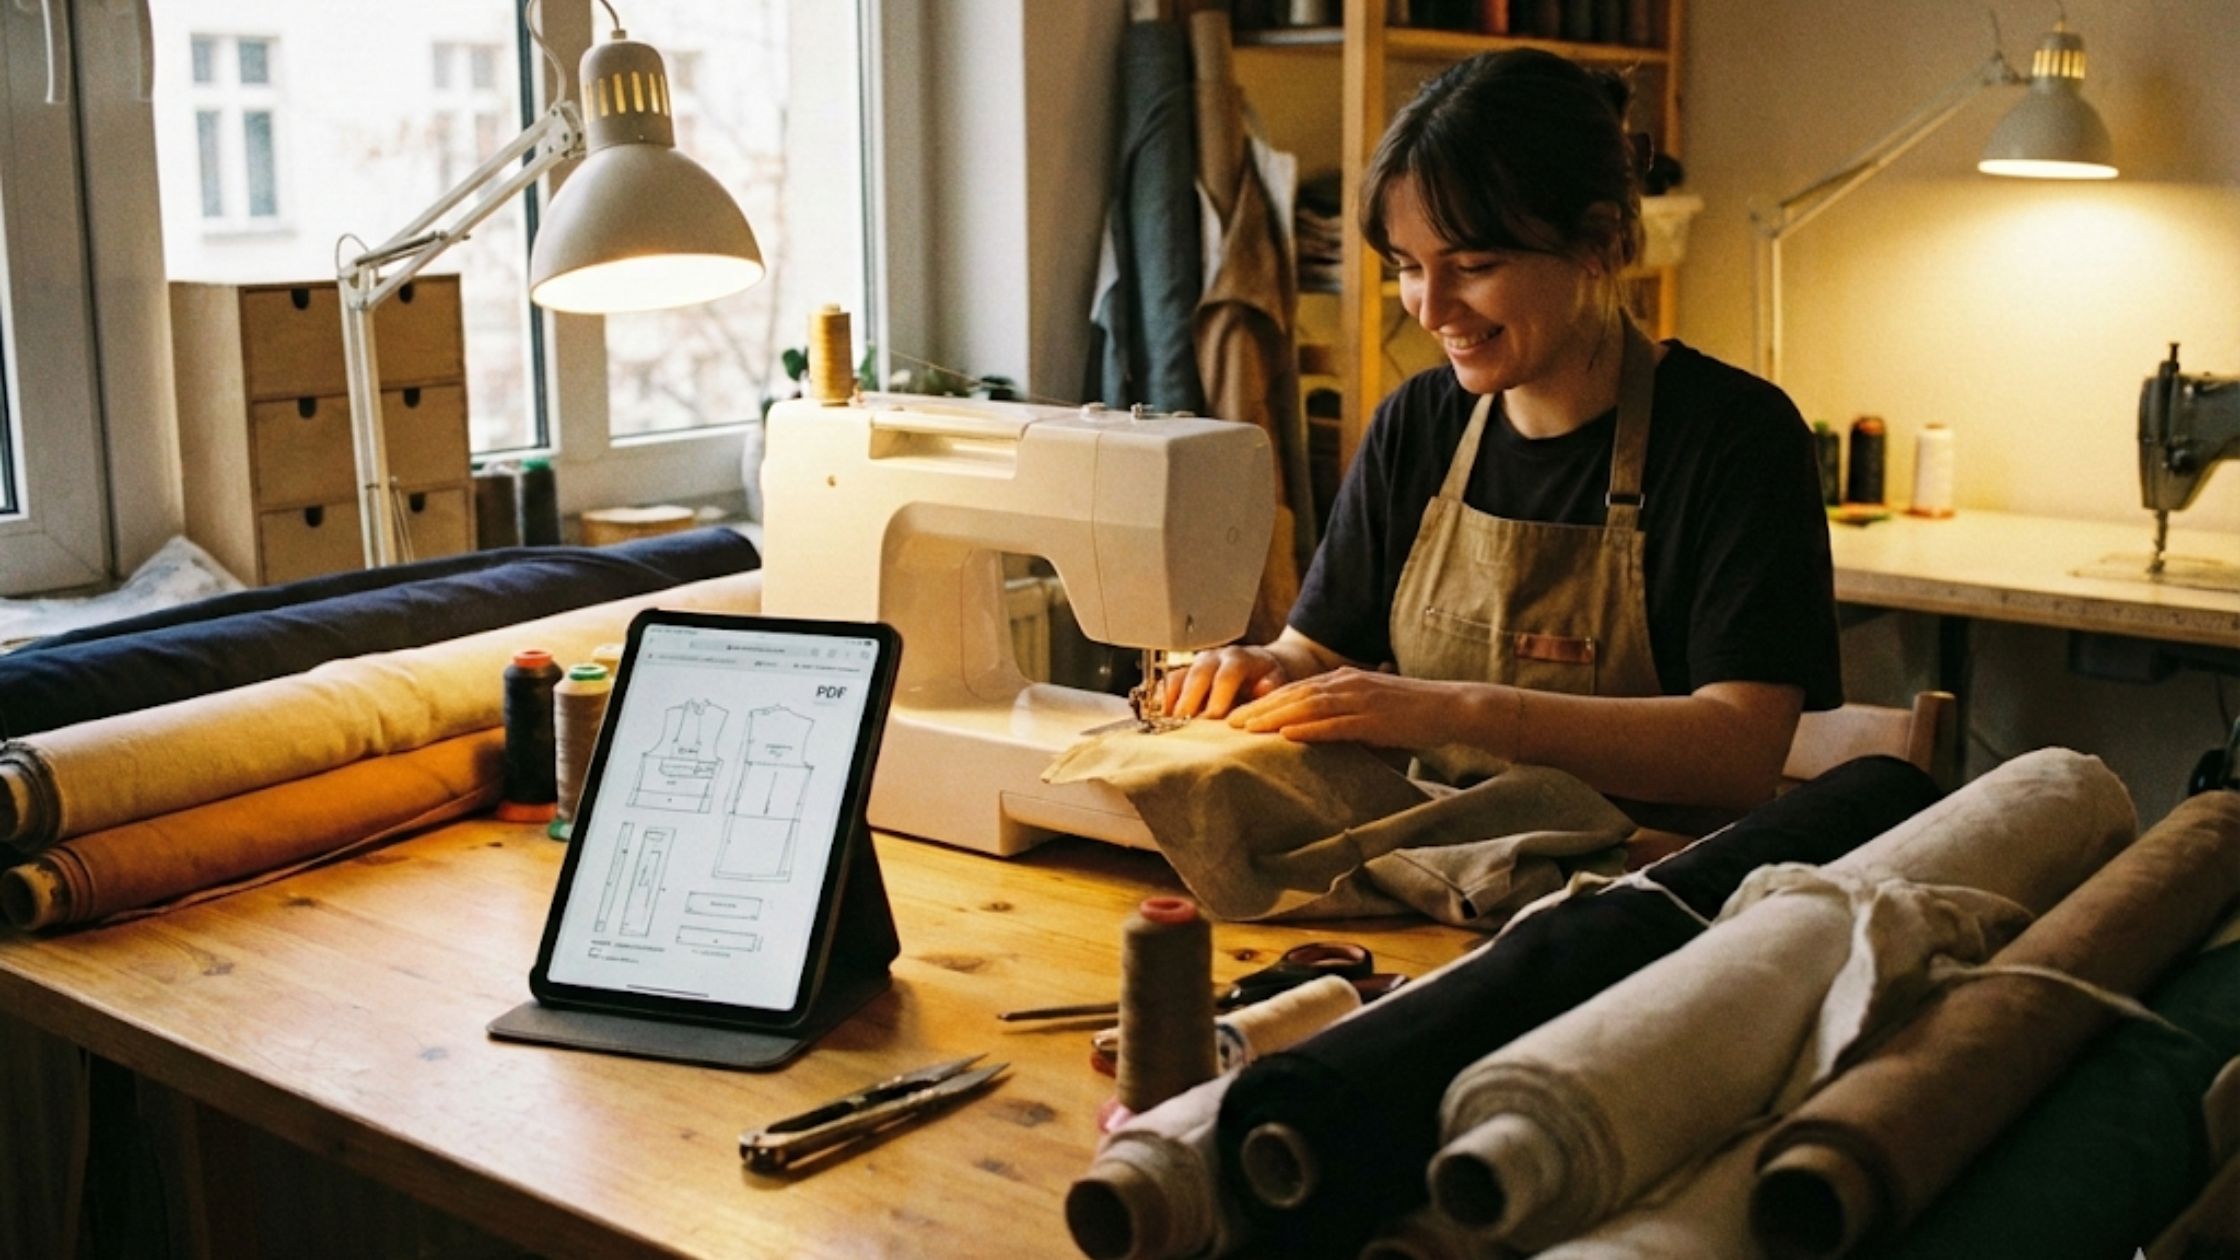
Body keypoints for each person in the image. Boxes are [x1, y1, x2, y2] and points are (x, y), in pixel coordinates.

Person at [1166, 48, 1841, 826]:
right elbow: (1318, 654)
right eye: (1408, 267)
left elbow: (1737, 750)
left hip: (1655, 895)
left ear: (1604, 242)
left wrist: (1454, 711)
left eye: (1474, 264)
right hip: (1438, 865)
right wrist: (1257, 669)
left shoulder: (1736, 439)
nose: (1429, 307)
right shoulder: (1416, 425)